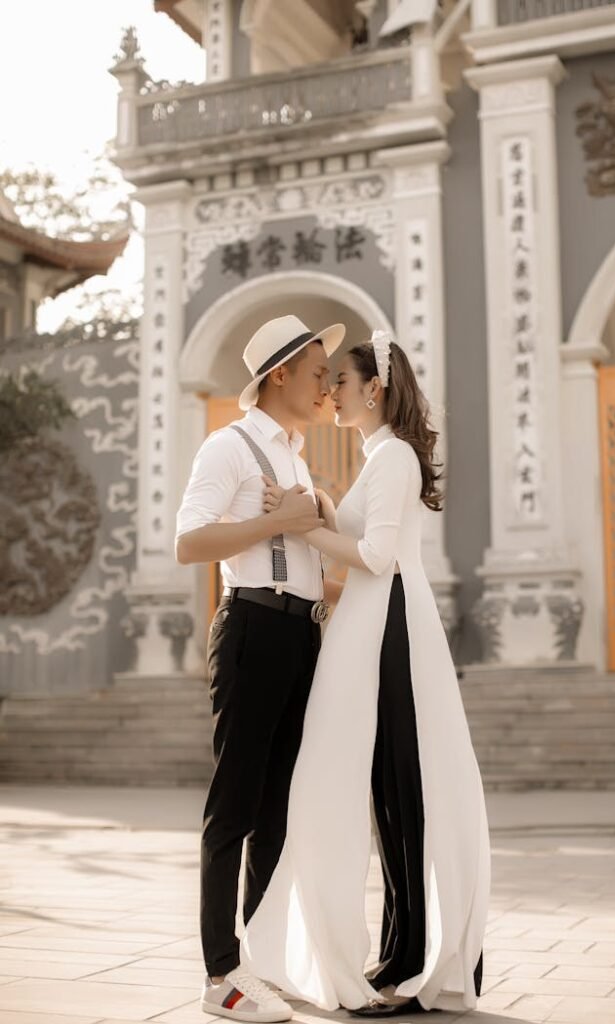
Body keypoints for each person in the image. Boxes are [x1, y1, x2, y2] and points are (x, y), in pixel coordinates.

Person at [242, 331, 490, 1015]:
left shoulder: (395, 458)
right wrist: (314, 508)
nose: (330, 393)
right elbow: (351, 529)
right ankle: (398, 953)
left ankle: (411, 962)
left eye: (341, 383)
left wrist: (295, 526)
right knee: (385, 794)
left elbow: (375, 556)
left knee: (403, 796)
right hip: (369, 627)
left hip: (390, 631)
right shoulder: (378, 455)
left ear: (374, 389)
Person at [175, 314, 346, 1022]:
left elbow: (316, 555)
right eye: (315, 372)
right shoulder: (230, 447)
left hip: (300, 635)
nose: (324, 386)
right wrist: (277, 522)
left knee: (278, 810)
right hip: (250, 627)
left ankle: (262, 959)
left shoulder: (298, 458)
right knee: (235, 806)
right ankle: (221, 974)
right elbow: (191, 542)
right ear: (280, 373)